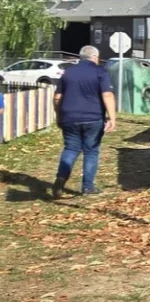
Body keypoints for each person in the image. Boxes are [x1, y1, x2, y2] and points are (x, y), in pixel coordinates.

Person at [52, 46, 117, 198]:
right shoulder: (100, 71)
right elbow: (107, 95)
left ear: (80, 57)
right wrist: (112, 118)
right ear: (95, 57)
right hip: (93, 117)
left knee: (70, 149)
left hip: (69, 117)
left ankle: (60, 180)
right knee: (91, 151)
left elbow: (57, 97)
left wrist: (59, 115)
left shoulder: (68, 72)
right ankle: (87, 187)